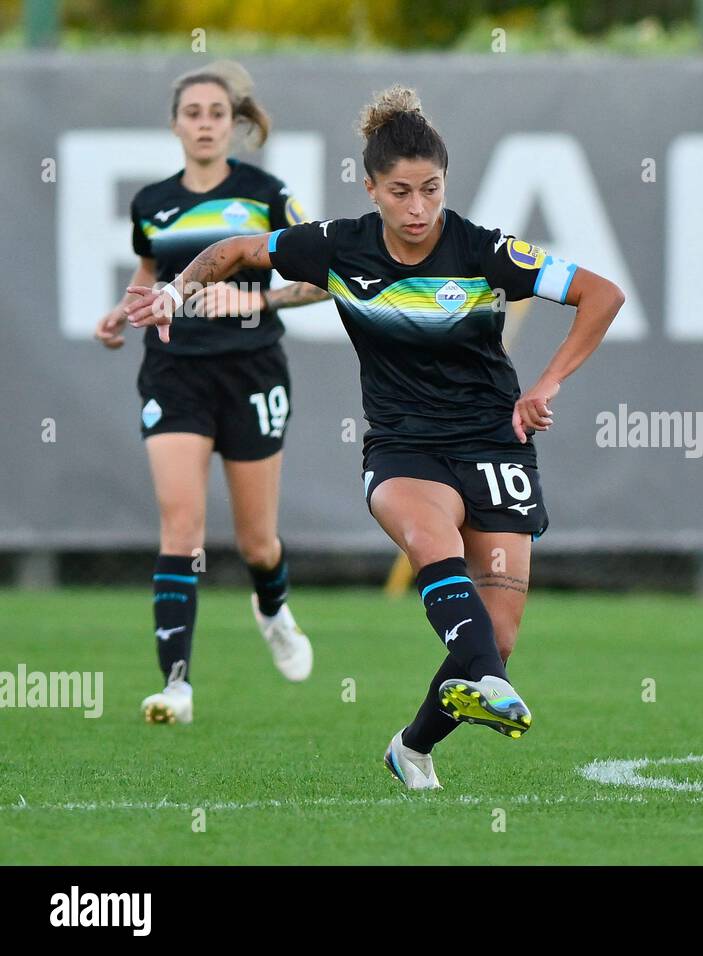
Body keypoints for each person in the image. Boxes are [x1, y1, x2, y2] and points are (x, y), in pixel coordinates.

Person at [125, 86, 625, 787]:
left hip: (494, 446)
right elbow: (237, 249)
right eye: (400, 192)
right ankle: (486, 680)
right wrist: (175, 293)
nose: (418, 208)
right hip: (403, 449)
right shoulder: (336, 245)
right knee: (431, 542)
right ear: (371, 189)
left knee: (498, 638)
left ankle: (412, 748)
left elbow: (601, 293)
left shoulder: (485, 251)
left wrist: (547, 384)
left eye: (431, 190)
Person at [95, 61, 330, 726]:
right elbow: (151, 274)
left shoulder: (267, 195)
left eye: (215, 113)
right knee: (182, 528)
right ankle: (176, 685)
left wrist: (251, 294)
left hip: (251, 372)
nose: (203, 124)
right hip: (174, 373)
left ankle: (274, 607)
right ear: (175, 124)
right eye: (192, 113)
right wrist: (122, 312)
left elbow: (323, 280)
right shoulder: (151, 203)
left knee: (258, 544)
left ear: (235, 124)